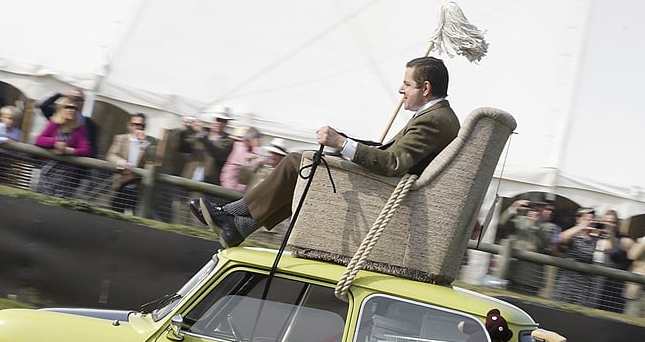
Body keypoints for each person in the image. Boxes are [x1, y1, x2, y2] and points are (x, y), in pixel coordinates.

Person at [189, 56, 460, 248]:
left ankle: (232, 214)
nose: (400, 89)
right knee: (305, 165)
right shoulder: (437, 116)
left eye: (407, 84)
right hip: (388, 185)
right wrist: (344, 140)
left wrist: (342, 143)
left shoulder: (435, 120)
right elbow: (388, 151)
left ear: (425, 89)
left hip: (385, 190)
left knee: (298, 162)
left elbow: (393, 162)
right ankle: (237, 226)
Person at [34, 96, 92, 197]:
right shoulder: (53, 124)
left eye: (75, 108)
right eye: (68, 107)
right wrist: (55, 143)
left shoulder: (80, 129)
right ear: (61, 109)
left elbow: (86, 150)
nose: (71, 110)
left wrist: (67, 150)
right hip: (48, 170)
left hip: (65, 174)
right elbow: (39, 140)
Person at [105, 113, 157, 215]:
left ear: (144, 126)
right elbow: (111, 155)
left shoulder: (151, 141)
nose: (137, 127)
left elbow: (152, 161)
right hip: (120, 182)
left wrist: (144, 143)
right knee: (114, 212)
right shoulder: (121, 138)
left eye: (140, 125)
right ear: (129, 125)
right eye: (134, 124)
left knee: (134, 215)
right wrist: (122, 162)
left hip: (138, 186)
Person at [497, 200, 553, 294]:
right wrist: (513, 207)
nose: (536, 210)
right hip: (513, 270)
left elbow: (544, 243)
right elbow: (502, 223)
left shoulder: (548, 226)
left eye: (541, 207)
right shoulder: (519, 220)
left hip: (531, 275)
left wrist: (535, 225)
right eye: (534, 207)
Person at [553, 207, 600, 306]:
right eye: (587, 219)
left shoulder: (595, 239)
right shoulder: (573, 235)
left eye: (592, 219)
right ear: (578, 219)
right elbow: (561, 238)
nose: (589, 222)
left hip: (584, 285)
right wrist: (581, 227)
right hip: (567, 281)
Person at [593, 209, 633, 313]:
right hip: (593, 283)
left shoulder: (624, 241)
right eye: (605, 221)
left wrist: (610, 234)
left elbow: (633, 261)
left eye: (612, 222)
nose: (608, 224)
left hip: (613, 287)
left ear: (617, 224)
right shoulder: (594, 237)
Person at [180, 112, 234, 185]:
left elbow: (218, 155)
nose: (219, 123)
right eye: (217, 120)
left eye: (223, 121)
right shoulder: (200, 133)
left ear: (226, 123)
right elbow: (184, 148)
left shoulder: (228, 140)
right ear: (212, 121)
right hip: (189, 178)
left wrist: (202, 135)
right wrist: (185, 130)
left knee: (198, 197)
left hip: (208, 183)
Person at [219, 126, 267, 191]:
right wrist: (257, 160)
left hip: (240, 183)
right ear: (251, 139)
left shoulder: (252, 149)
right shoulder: (239, 147)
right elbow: (248, 166)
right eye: (257, 139)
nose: (259, 142)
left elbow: (260, 157)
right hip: (231, 182)